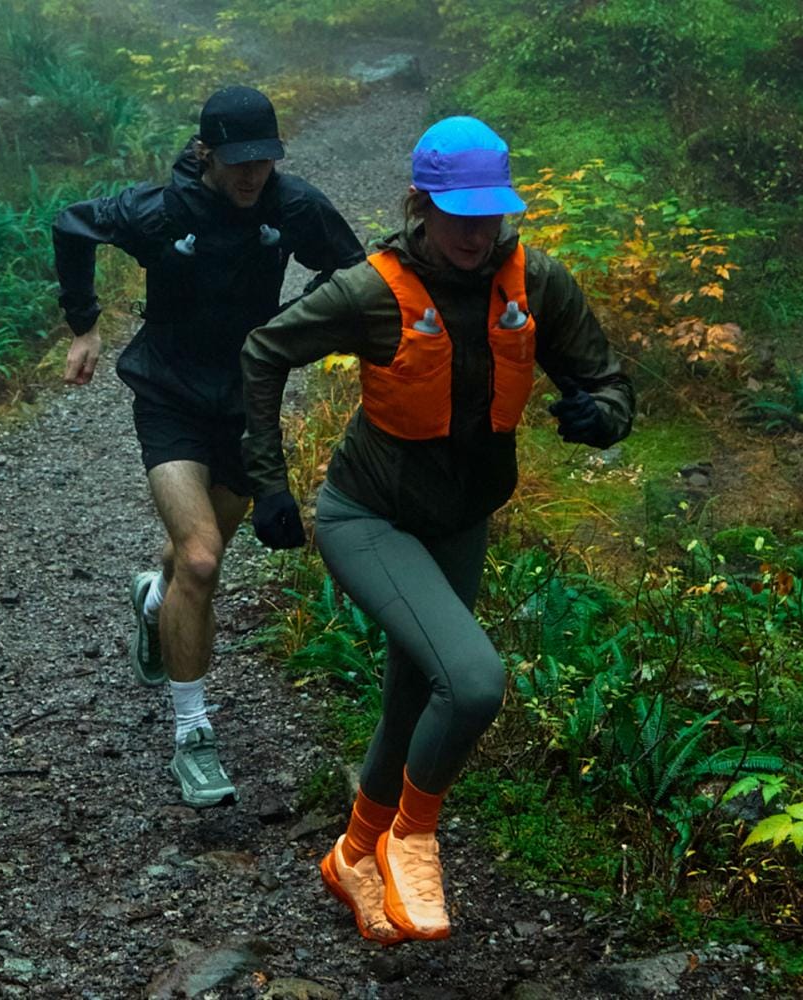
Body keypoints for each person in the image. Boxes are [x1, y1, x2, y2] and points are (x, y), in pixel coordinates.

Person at [240, 116, 634, 942]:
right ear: (421, 205)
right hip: (368, 517)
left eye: (489, 213)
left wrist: (600, 416)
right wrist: (268, 482)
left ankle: (354, 856)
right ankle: (411, 840)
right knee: (475, 681)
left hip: (460, 521)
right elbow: (263, 351)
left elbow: (606, 382)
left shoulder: (535, 281)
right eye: (458, 213)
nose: (475, 231)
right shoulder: (371, 289)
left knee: (414, 696)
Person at [52, 85, 365, 808]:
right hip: (168, 395)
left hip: (246, 404)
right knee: (201, 557)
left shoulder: (294, 206)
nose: (252, 173)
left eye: (264, 158)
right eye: (238, 159)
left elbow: (353, 271)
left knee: (195, 559)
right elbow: (71, 224)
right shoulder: (162, 210)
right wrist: (84, 325)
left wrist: (288, 328)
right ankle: (192, 734)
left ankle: (155, 599)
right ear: (206, 153)